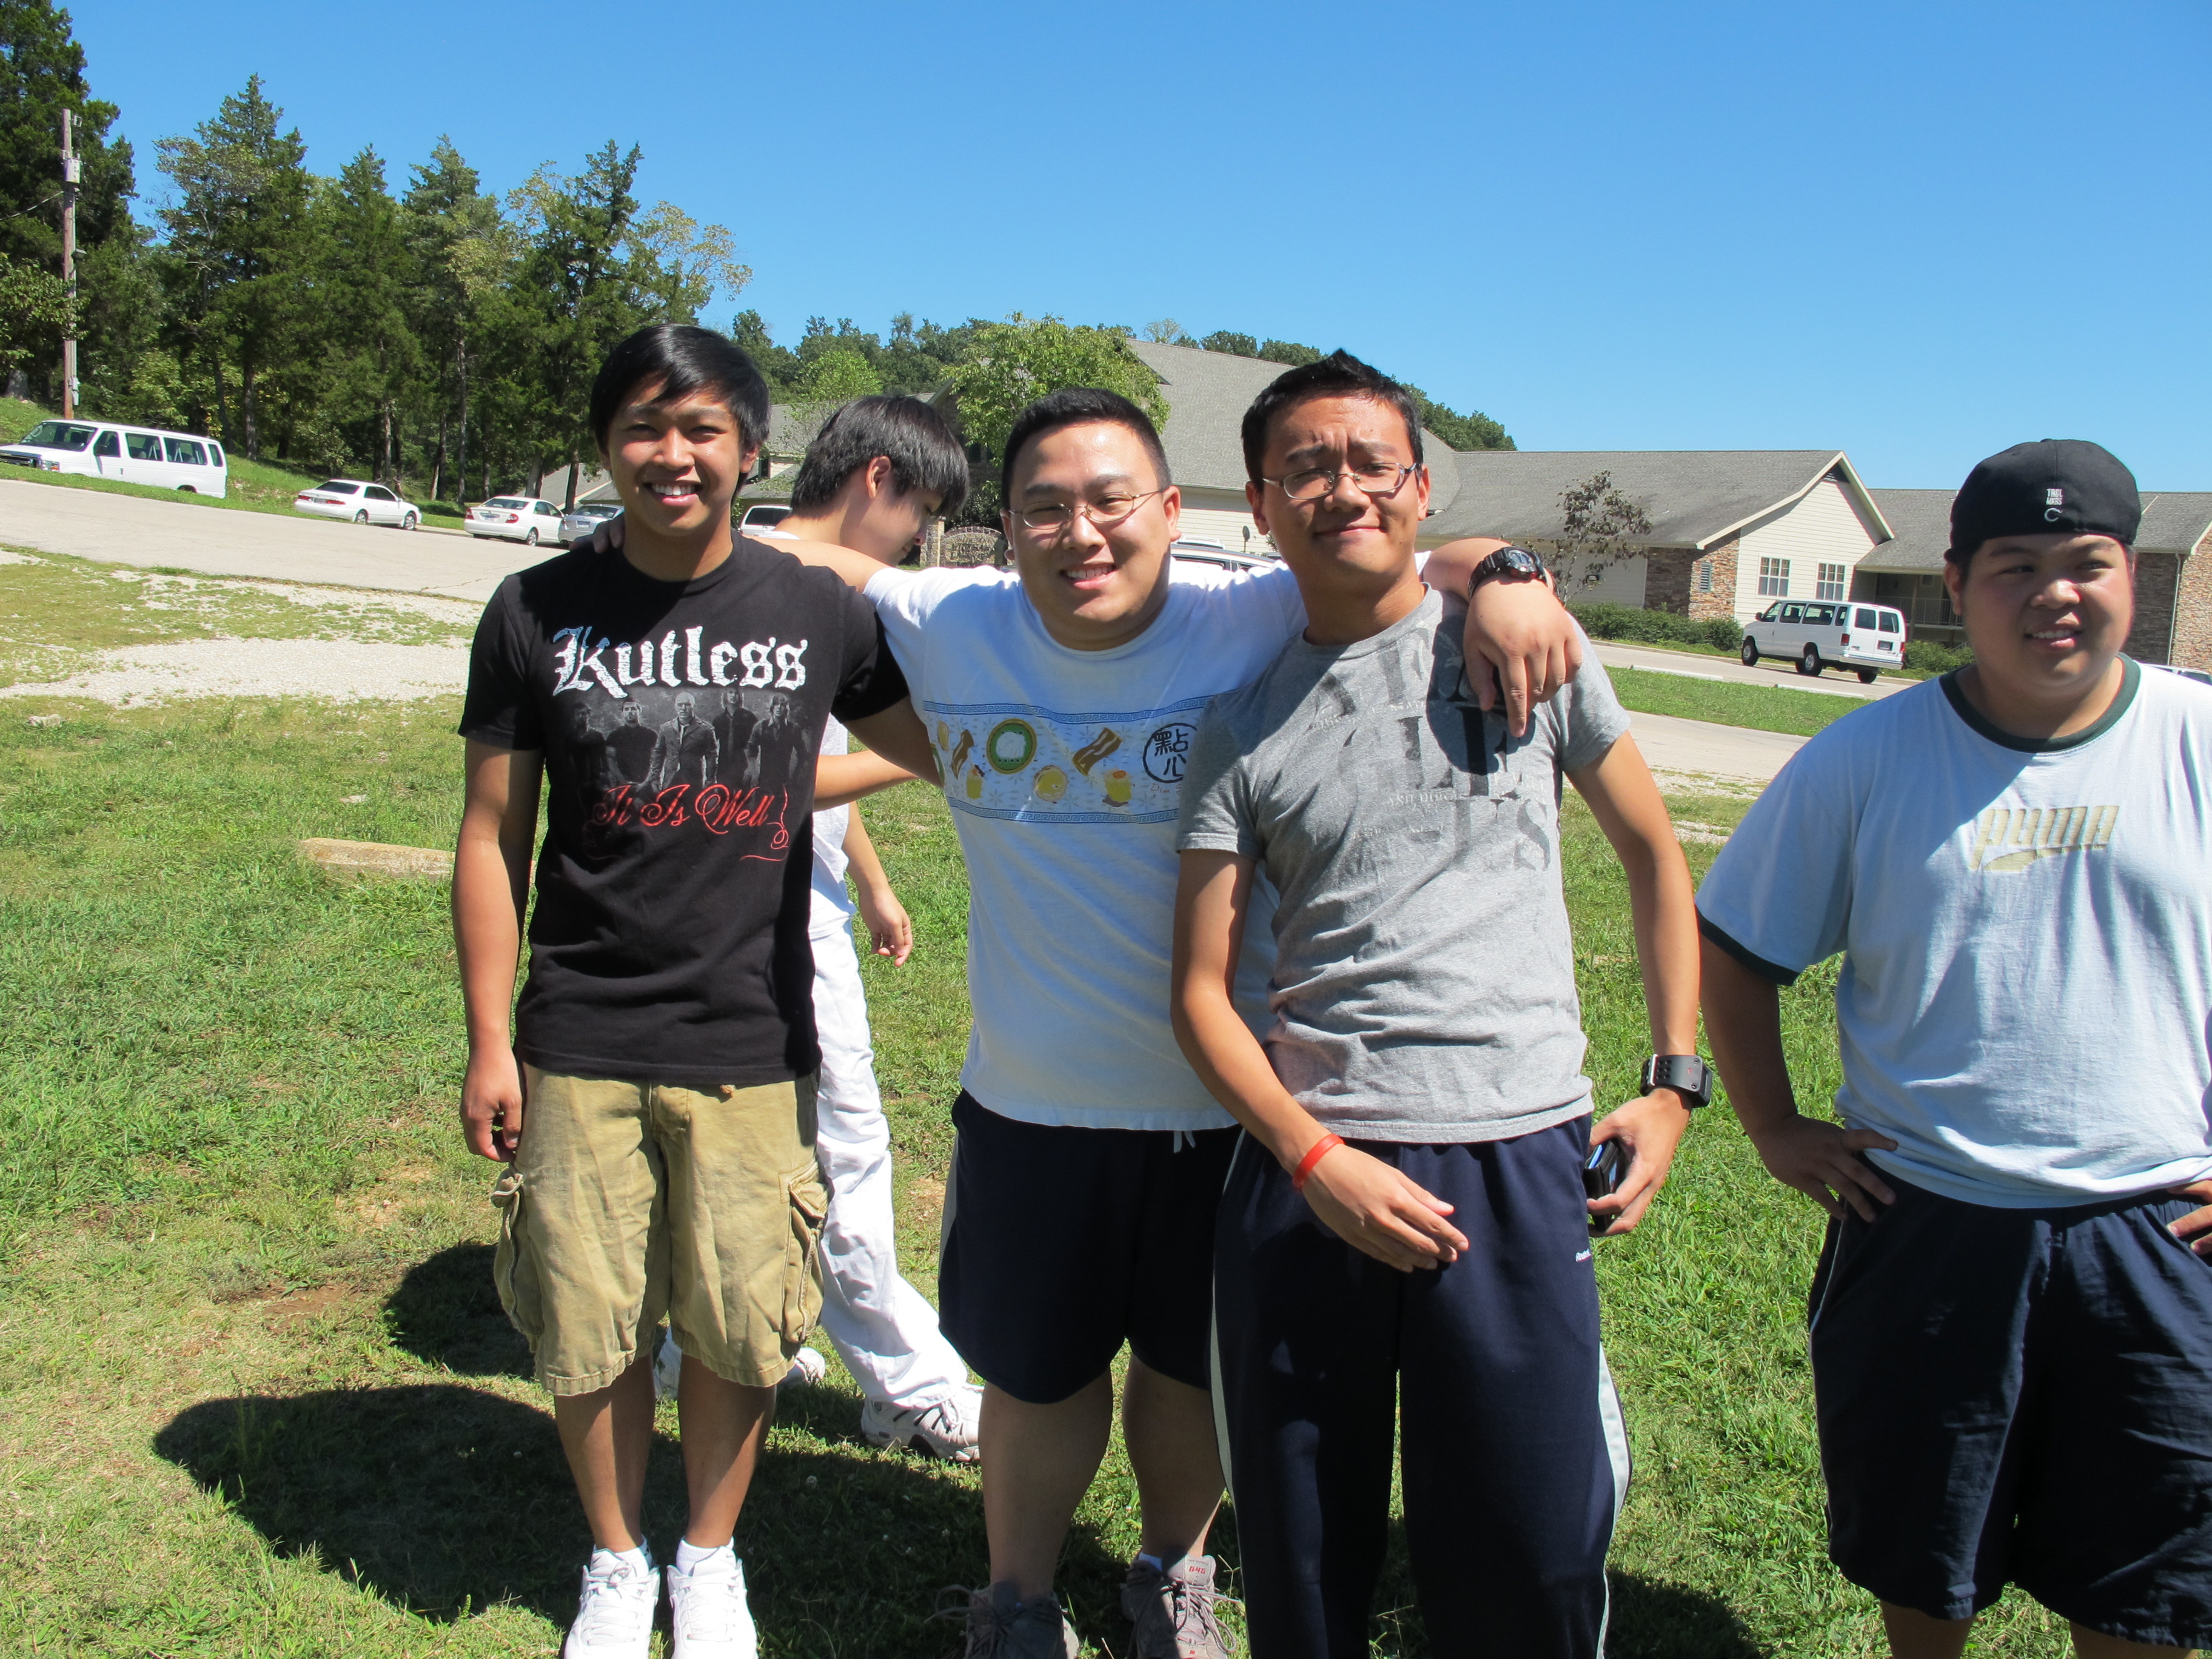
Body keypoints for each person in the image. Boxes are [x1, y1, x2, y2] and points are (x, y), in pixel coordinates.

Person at [672, 381, 1589, 1658]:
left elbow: (1413, 547)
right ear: (1005, 528)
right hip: (1031, 1102)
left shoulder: (1243, 609)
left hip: (1230, 1108)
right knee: (1036, 1377)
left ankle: (1173, 1575)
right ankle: (1017, 1599)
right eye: (1045, 508)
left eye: (1111, 501)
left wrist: (1512, 574)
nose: (1082, 532)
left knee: (1190, 1371)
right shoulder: (949, 619)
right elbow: (796, 553)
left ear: (1170, 509)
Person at [1169, 351, 1702, 1657]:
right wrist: (1314, 1160)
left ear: (1419, 488)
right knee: (1304, 1562)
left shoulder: (1524, 646)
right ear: (1260, 503)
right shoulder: (1240, 727)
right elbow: (1199, 993)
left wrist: (1674, 1082)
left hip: (1516, 1157)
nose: (1342, 488)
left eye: (1372, 463)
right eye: (1306, 467)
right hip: (1316, 1172)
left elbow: (1654, 856)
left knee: (1529, 1552)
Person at [453, 323, 936, 1659]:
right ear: (607, 445)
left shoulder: (817, 610)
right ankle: (617, 1564)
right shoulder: (533, 609)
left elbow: (949, 741)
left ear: (752, 449)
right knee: (589, 1318)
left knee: (738, 1320)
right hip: (583, 1028)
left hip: (753, 1032)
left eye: (701, 428)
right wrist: (490, 1040)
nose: (671, 454)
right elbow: (493, 836)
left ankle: (708, 1560)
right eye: (642, 428)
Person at [1694, 438, 2212, 1659]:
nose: (2054, 594)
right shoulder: (1867, 758)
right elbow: (1736, 947)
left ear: (2132, 575)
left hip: (2157, 1230)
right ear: (1957, 581)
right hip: (1928, 1219)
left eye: (2086, 563)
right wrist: (1772, 1126)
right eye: (2015, 566)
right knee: (1925, 1552)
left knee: (2142, 1573)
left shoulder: (2198, 739)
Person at [656, 394, 987, 1460]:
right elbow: (771, 778)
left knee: (741, 1134)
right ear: (877, 479)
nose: (917, 539)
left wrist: (871, 880)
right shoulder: (761, 586)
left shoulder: (809, 586)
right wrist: (937, 753)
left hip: (805, 896)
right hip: (761, 914)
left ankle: (699, 1334)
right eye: (920, 512)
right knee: (844, 1142)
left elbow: (817, 751)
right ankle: (908, 1386)